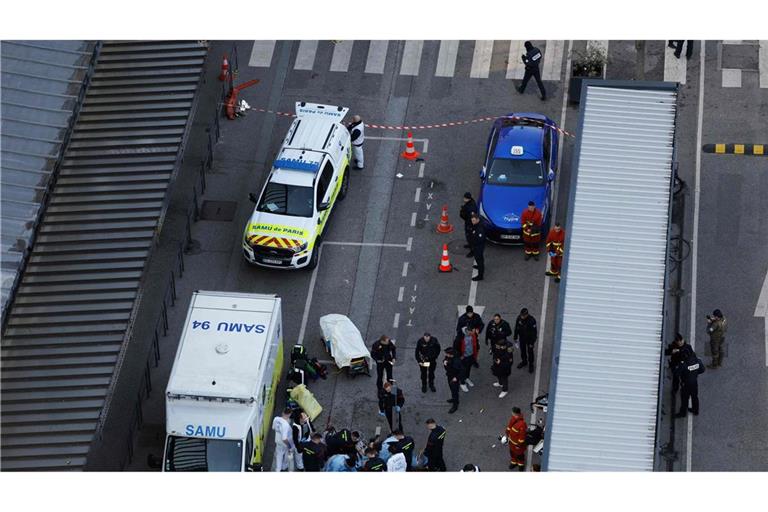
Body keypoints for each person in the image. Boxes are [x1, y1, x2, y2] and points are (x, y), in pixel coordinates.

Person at [674, 347, 705, 417]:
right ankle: (695, 410)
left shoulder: (684, 365)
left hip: (685, 384)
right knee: (695, 397)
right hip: (694, 382)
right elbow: (702, 370)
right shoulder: (697, 361)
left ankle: (683, 413)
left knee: (685, 399)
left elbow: (676, 374)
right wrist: (695, 374)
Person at [454, 327, 479, 392]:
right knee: (462, 370)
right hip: (463, 357)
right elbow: (455, 349)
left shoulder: (472, 335)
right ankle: (462, 383)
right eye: (470, 332)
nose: (472, 333)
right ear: (466, 331)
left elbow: (475, 344)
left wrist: (475, 353)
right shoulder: (459, 338)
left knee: (468, 368)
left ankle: (466, 378)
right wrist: (460, 356)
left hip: (471, 355)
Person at [514, 308, 538, 373]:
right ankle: (524, 361)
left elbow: (534, 333)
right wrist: (515, 337)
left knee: (530, 352)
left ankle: (531, 364)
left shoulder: (532, 320)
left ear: (526, 315)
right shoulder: (519, 318)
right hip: (522, 338)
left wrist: (532, 343)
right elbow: (516, 328)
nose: (522, 317)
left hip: (529, 340)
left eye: (523, 315)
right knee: (523, 351)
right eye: (521, 315)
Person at [271, 407, 294, 472]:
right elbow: (284, 439)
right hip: (284, 443)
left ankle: (278, 469)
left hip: (277, 441)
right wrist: (289, 446)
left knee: (279, 456)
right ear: (289, 414)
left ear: (283, 412)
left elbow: (273, 428)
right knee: (286, 455)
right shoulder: (286, 425)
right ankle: (284, 467)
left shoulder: (276, 419)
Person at [506, 407, 527, 471]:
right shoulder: (513, 419)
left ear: (515, 413)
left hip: (518, 445)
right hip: (511, 442)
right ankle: (514, 462)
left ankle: (521, 465)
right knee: (512, 453)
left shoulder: (522, 424)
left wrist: (518, 445)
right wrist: (507, 435)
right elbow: (509, 428)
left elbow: (522, 437)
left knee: (520, 455)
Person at [468, 213, 487, 281]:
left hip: (479, 247)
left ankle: (480, 276)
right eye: (472, 220)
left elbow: (480, 239)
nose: (472, 222)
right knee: (478, 258)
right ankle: (479, 266)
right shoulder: (477, 224)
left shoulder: (480, 229)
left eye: (473, 220)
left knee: (479, 260)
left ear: (477, 220)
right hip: (476, 246)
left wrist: (473, 242)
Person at [444, 347, 463, 414]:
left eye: (447, 354)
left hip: (454, 378)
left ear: (451, 354)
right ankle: (454, 399)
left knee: (455, 391)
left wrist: (456, 378)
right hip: (450, 376)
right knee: (452, 389)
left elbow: (461, 371)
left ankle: (455, 405)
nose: (446, 355)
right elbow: (447, 365)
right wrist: (445, 364)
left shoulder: (457, 361)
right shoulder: (448, 357)